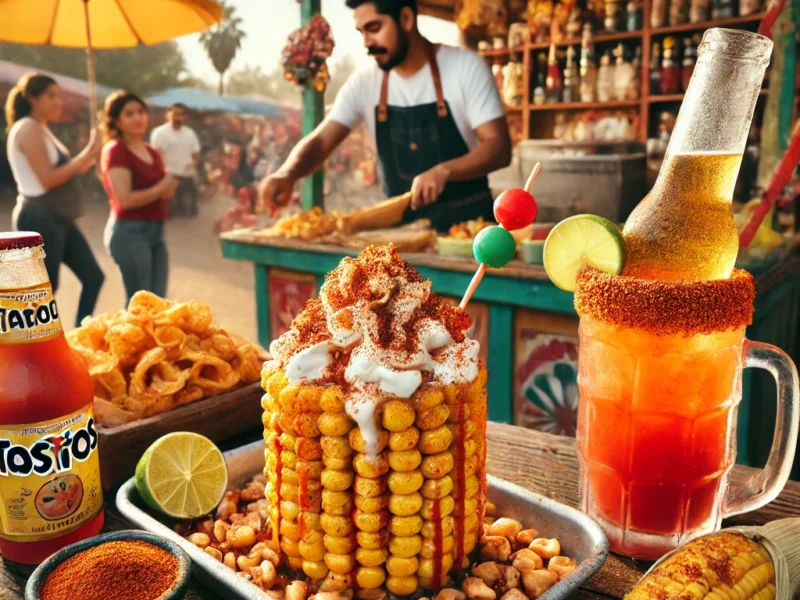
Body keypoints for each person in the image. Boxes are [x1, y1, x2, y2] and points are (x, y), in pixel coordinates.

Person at [259, 0, 511, 231]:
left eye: (374, 28)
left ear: (406, 19)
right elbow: (322, 140)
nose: (367, 42)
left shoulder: (464, 68)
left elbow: (498, 147)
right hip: (402, 234)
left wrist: (445, 170)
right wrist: (288, 173)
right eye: (362, 32)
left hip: (469, 232)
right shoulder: (365, 81)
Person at [4, 72, 104, 327]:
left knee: (92, 277)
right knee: (40, 292)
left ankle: (80, 336)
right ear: (32, 98)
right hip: (39, 215)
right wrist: (83, 156)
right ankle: (25, 352)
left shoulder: (42, 129)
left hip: (58, 216)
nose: (58, 102)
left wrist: (94, 149)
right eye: (51, 96)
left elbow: (73, 169)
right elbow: (47, 179)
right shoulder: (26, 129)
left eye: (58, 96)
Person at [100, 91, 178, 302]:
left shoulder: (152, 152)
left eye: (140, 112)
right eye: (129, 113)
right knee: (139, 307)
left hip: (156, 233)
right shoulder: (116, 151)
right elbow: (124, 200)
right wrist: (162, 187)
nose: (138, 118)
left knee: (159, 304)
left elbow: (166, 193)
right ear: (116, 121)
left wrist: (170, 186)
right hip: (129, 233)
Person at [150, 103, 200, 217]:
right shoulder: (159, 133)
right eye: (175, 113)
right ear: (168, 115)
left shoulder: (190, 133)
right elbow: (156, 155)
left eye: (181, 114)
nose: (178, 117)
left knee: (190, 213)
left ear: (185, 117)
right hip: (168, 177)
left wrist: (194, 163)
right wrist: (163, 173)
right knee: (168, 213)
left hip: (187, 176)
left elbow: (195, 153)